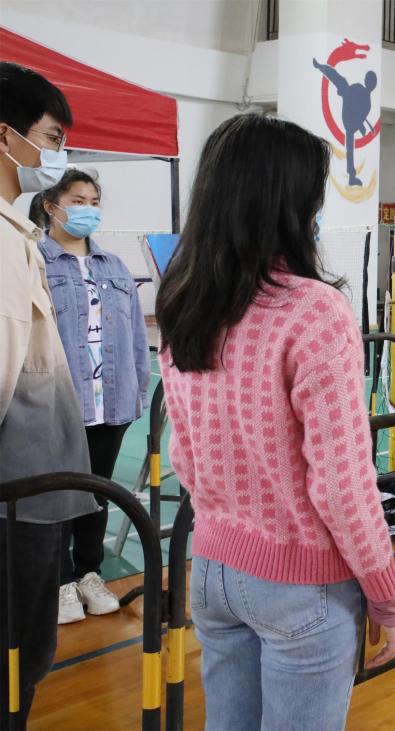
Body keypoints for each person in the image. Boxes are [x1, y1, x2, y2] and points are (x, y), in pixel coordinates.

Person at [156, 114, 395, 730]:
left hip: (211, 570)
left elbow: (184, 456)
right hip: (302, 584)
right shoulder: (314, 311)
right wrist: (384, 591)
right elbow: (342, 482)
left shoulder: (184, 298)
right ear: (290, 203)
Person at [0, 61, 96, 727]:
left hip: (30, 488)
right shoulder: (6, 246)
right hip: (18, 497)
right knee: (18, 654)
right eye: (50, 136)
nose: (56, 154)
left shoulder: (19, 236)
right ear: (6, 137)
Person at [37, 170, 151, 623]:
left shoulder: (115, 267)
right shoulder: (34, 261)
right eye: (77, 199)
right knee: (59, 495)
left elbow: (137, 336)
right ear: (51, 205)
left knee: (98, 493)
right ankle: (61, 581)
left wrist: (137, 391)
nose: (87, 208)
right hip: (59, 403)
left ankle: (89, 572)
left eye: (93, 200)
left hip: (112, 404)